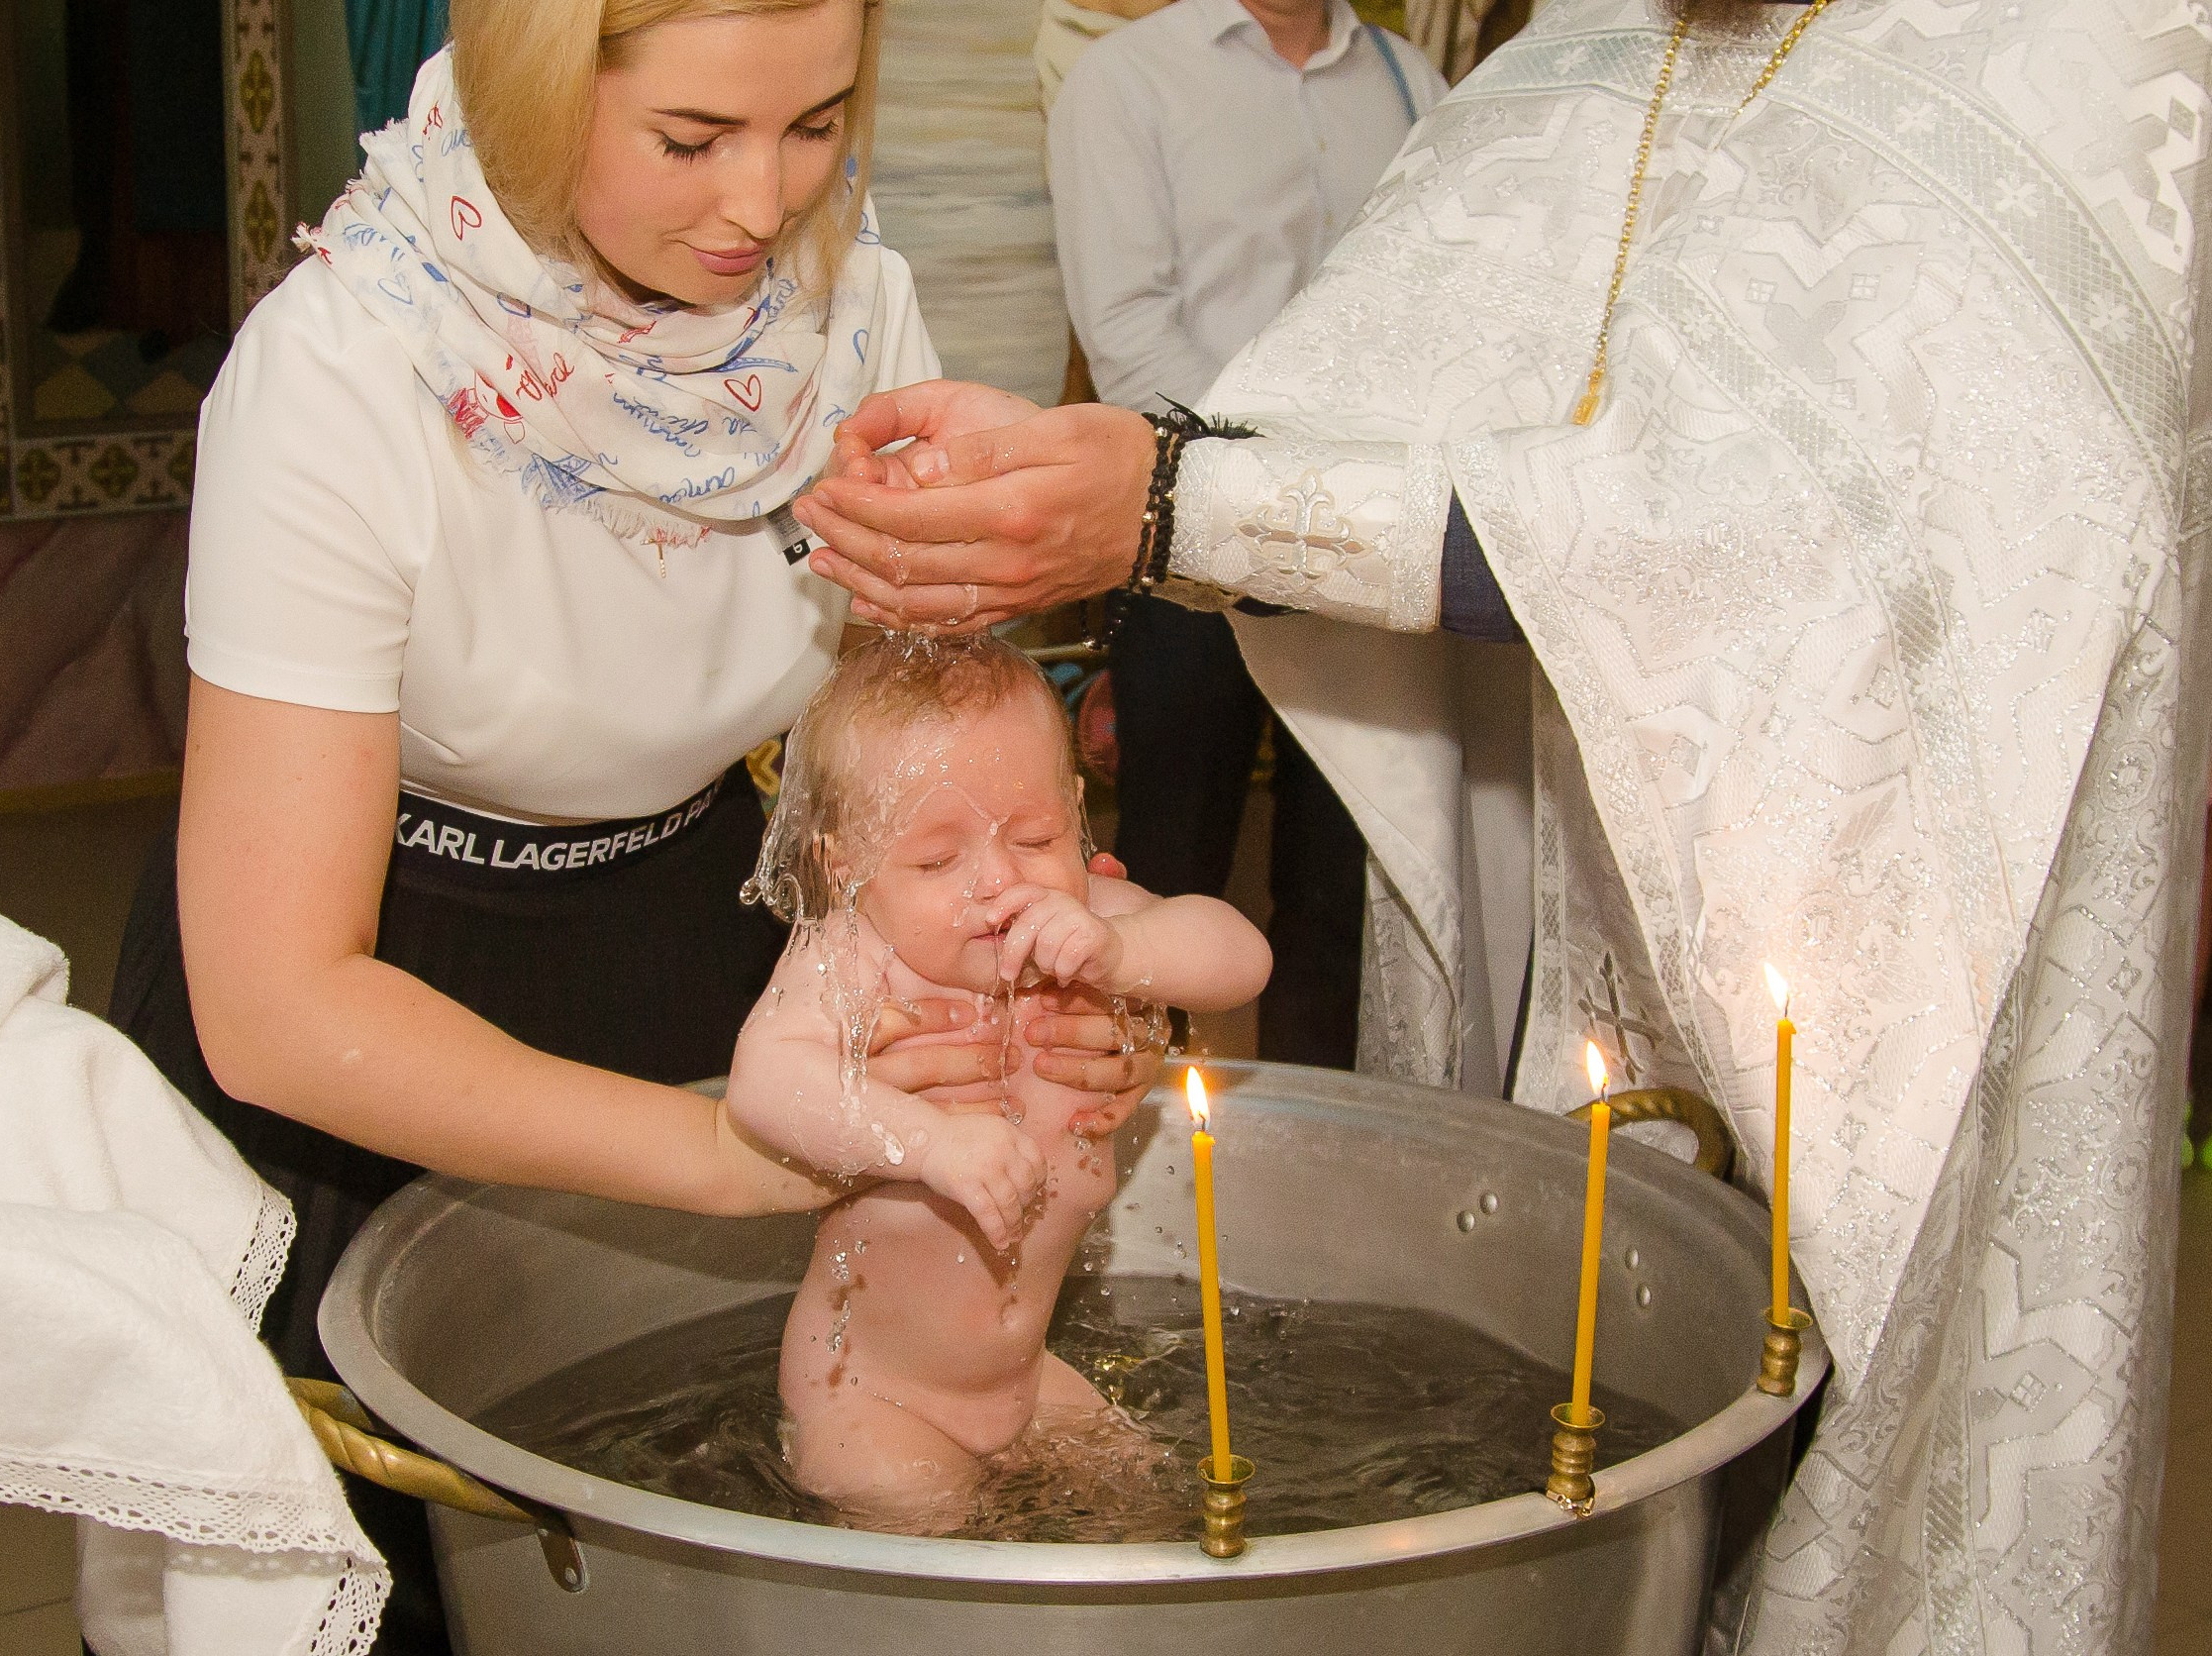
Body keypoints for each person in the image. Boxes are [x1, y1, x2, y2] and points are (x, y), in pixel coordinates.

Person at [786, 0, 2212, 1646]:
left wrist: (1169, 499)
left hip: (1911, 973)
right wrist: (1116, 471)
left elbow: (1806, 557)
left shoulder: (2101, 56)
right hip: (1553, 911)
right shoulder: (1589, 45)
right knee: (1536, 1468)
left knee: (1843, 1505)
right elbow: (1371, 403)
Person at [108, 3, 1157, 1646]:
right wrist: (726, 1153)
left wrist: (1045, 952)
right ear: (537, 88)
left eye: (814, 123)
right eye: (689, 140)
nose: (762, 202)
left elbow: (928, 759)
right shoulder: (338, 376)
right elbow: (279, 1006)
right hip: (372, 999)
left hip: (694, 941)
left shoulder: (848, 310)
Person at [727, 635, 1269, 1525]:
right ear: (841, 866)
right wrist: (928, 1142)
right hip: (871, 1397)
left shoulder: (1084, 929)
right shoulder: (855, 959)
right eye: (937, 861)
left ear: (1079, 813)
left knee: (1152, 1515)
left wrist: (1126, 949)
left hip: (1022, 1385)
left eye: (1035, 836)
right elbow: (763, 1079)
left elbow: (1242, 957)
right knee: (938, 1553)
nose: (998, 881)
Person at [1048, 0, 1444, 1068]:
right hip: (1190, 544)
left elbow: (1444, 316)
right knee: (1169, 872)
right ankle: (1135, 1147)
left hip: (1372, 554)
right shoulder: (1125, 79)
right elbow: (1128, 332)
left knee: (1346, 884)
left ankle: (1318, 1148)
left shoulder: (1411, 82)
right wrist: (1265, 494)